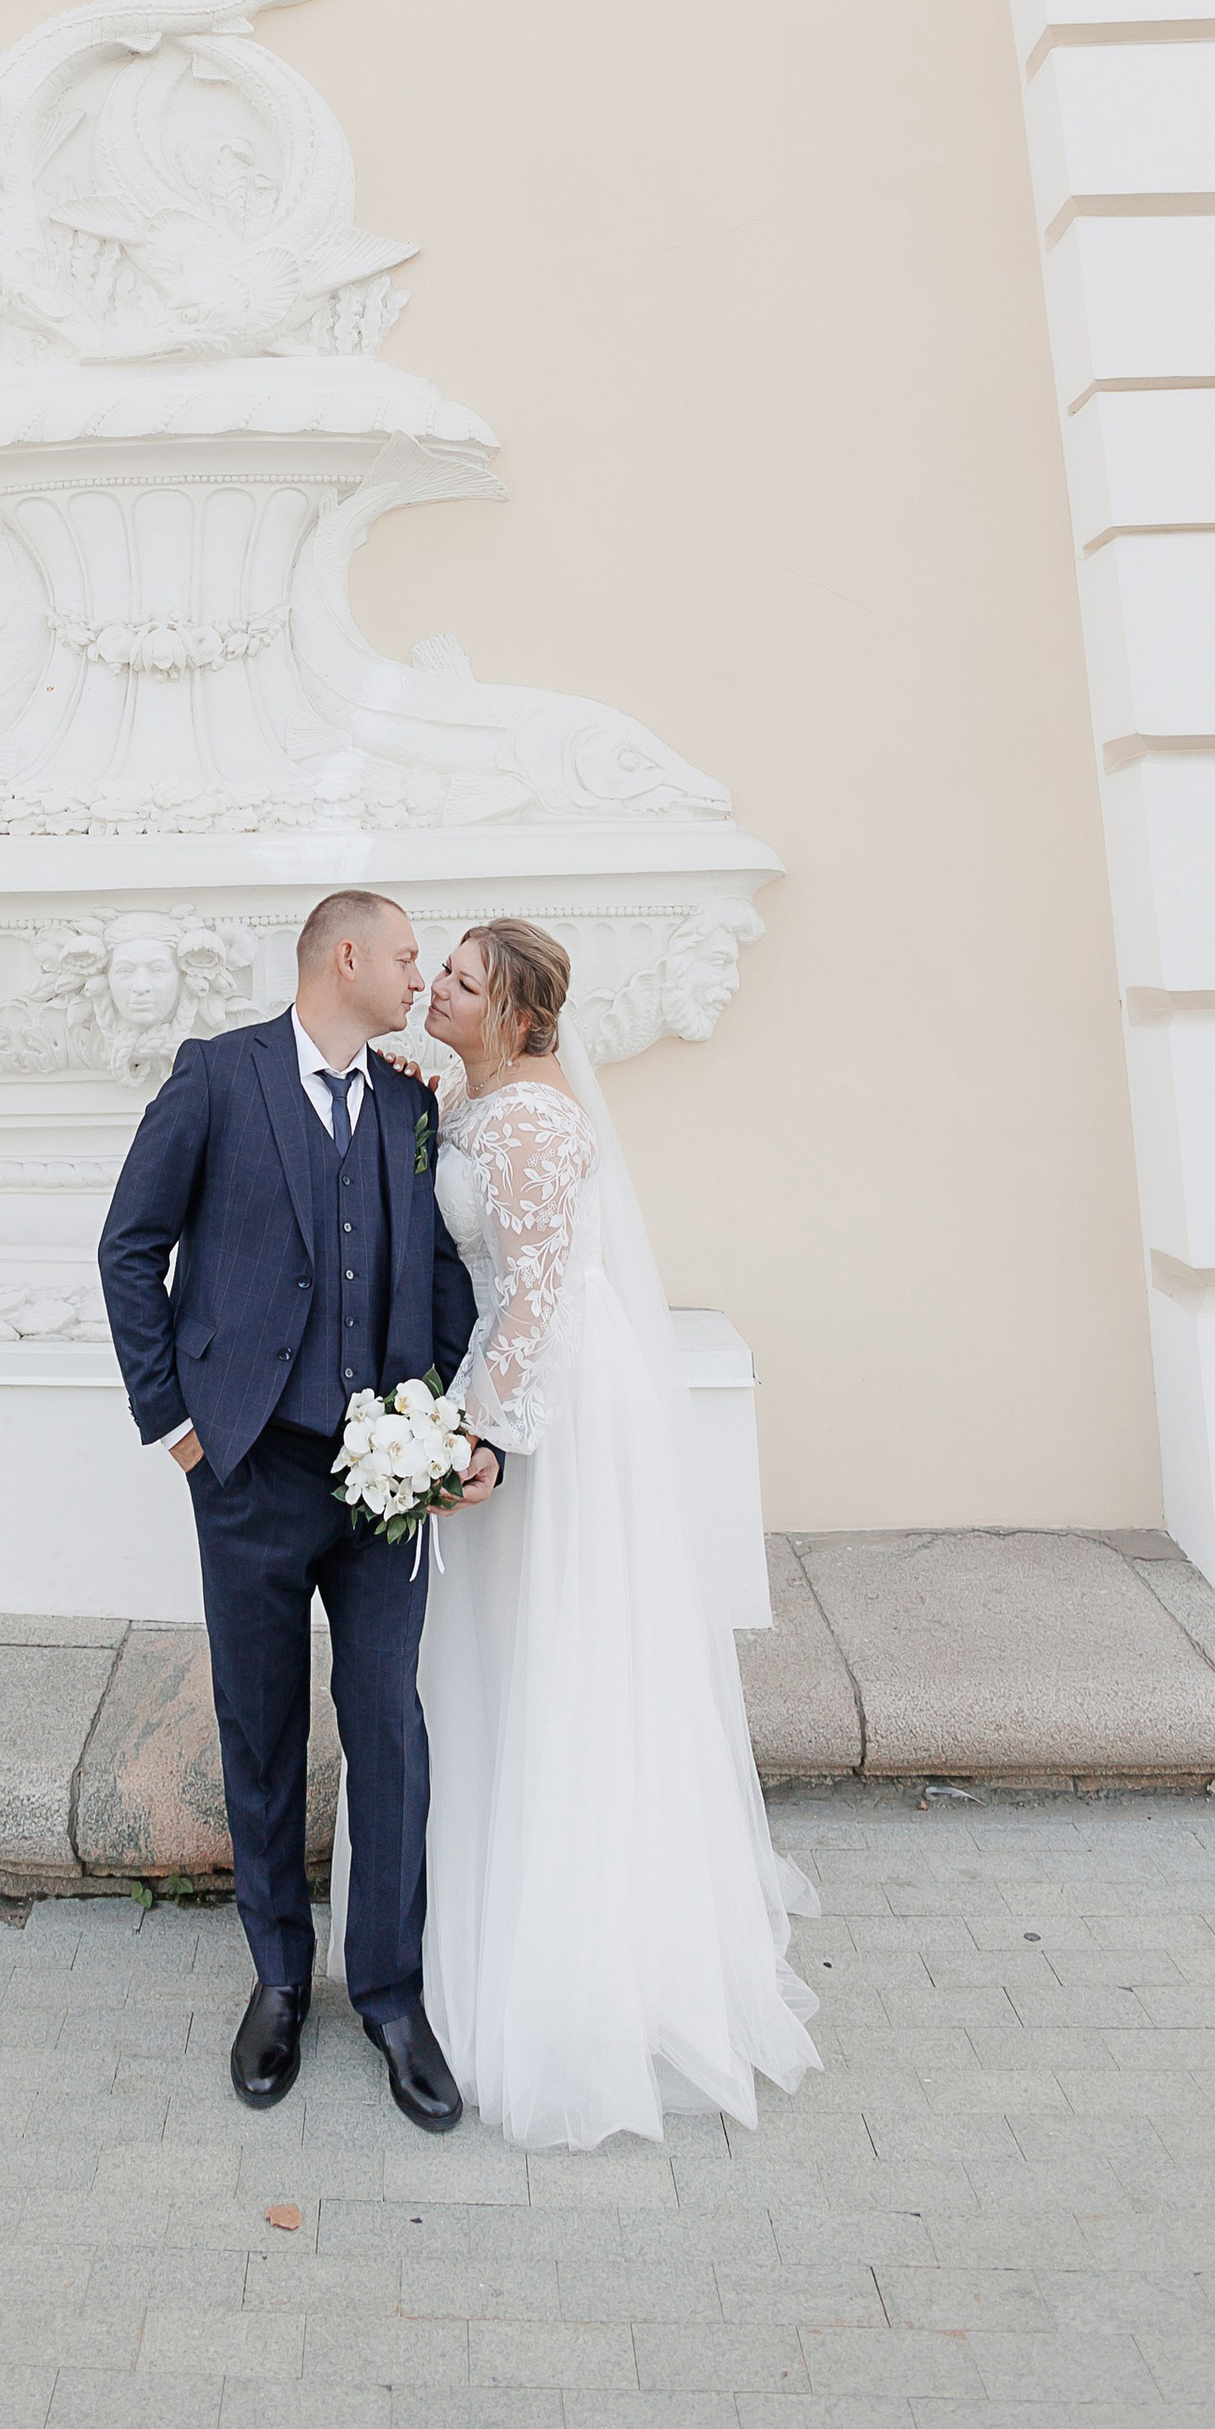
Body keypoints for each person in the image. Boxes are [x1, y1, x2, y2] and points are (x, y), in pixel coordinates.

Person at [402, 917, 823, 2147]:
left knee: (565, 1655)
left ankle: (580, 1961)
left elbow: (537, 1287)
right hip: (522, 1379)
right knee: (522, 1656)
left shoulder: (528, 1117)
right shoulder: (481, 1095)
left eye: (461, 983)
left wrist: (482, 1434)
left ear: (520, 1019)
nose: (436, 987)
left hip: (558, 1405)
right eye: (438, 970)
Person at [97, 889, 489, 2128]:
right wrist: (177, 1426)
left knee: (387, 1730)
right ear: (347, 957)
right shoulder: (217, 1076)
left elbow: (436, 1275)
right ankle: (277, 1978)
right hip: (250, 1472)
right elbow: (129, 1247)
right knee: (257, 1729)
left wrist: (438, 1428)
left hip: (384, 1482)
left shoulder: (411, 1103)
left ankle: (387, 1993)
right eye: (410, 957)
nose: (420, 979)